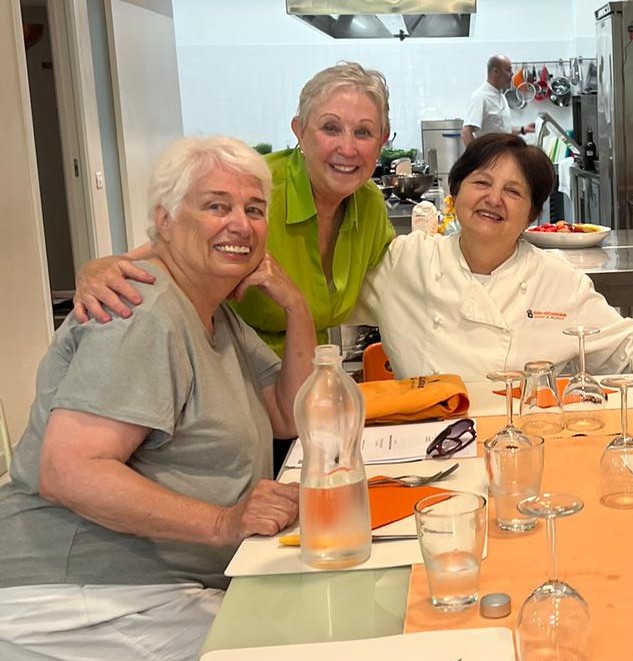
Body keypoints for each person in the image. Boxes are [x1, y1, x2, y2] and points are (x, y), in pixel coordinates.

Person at [0, 136, 313, 661]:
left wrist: (296, 306)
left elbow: (288, 415)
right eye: (217, 206)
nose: (240, 224)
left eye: (254, 210)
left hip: (161, 586)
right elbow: (69, 470)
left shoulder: (215, 312)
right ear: (164, 219)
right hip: (81, 594)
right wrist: (225, 522)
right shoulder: (142, 313)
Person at [351, 132, 633, 388]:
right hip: (429, 446)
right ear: (455, 194)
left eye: (513, 191)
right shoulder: (406, 262)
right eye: (482, 182)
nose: (494, 199)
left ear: (531, 214)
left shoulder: (556, 279)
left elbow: (629, 342)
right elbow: (330, 296)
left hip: (524, 445)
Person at [73, 61, 395, 356]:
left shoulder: (369, 204)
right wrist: (98, 269)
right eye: (331, 128)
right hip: (226, 370)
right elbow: (168, 247)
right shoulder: (257, 189)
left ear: (381, 141)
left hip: (307, 372)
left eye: (363, 133)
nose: (347, 148)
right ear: (299, 131)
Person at [461, 55, 536, 147]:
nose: (512, 74)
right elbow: (466, 132)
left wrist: (523, 130)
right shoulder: (481, 97)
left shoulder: (501, 95)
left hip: (503, 152)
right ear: (495, 71)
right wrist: (477, 155)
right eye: (508, 70)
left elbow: (502, 130)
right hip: (490, 154)